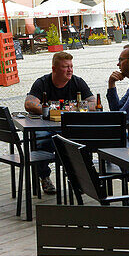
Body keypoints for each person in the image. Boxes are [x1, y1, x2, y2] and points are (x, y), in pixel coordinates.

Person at [24, 51, 93, 193]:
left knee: (77, 143)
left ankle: (77, 178)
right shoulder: (42, 83)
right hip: (47, 127)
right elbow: (29, 104)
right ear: (54, 69)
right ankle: (44, 176)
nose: (70, 70)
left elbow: (93, 103)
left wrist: (72, 108)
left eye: (71, 66)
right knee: (40, 140)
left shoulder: (77, 82)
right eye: (65, 67)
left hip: (69, 128)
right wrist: (53, 111)